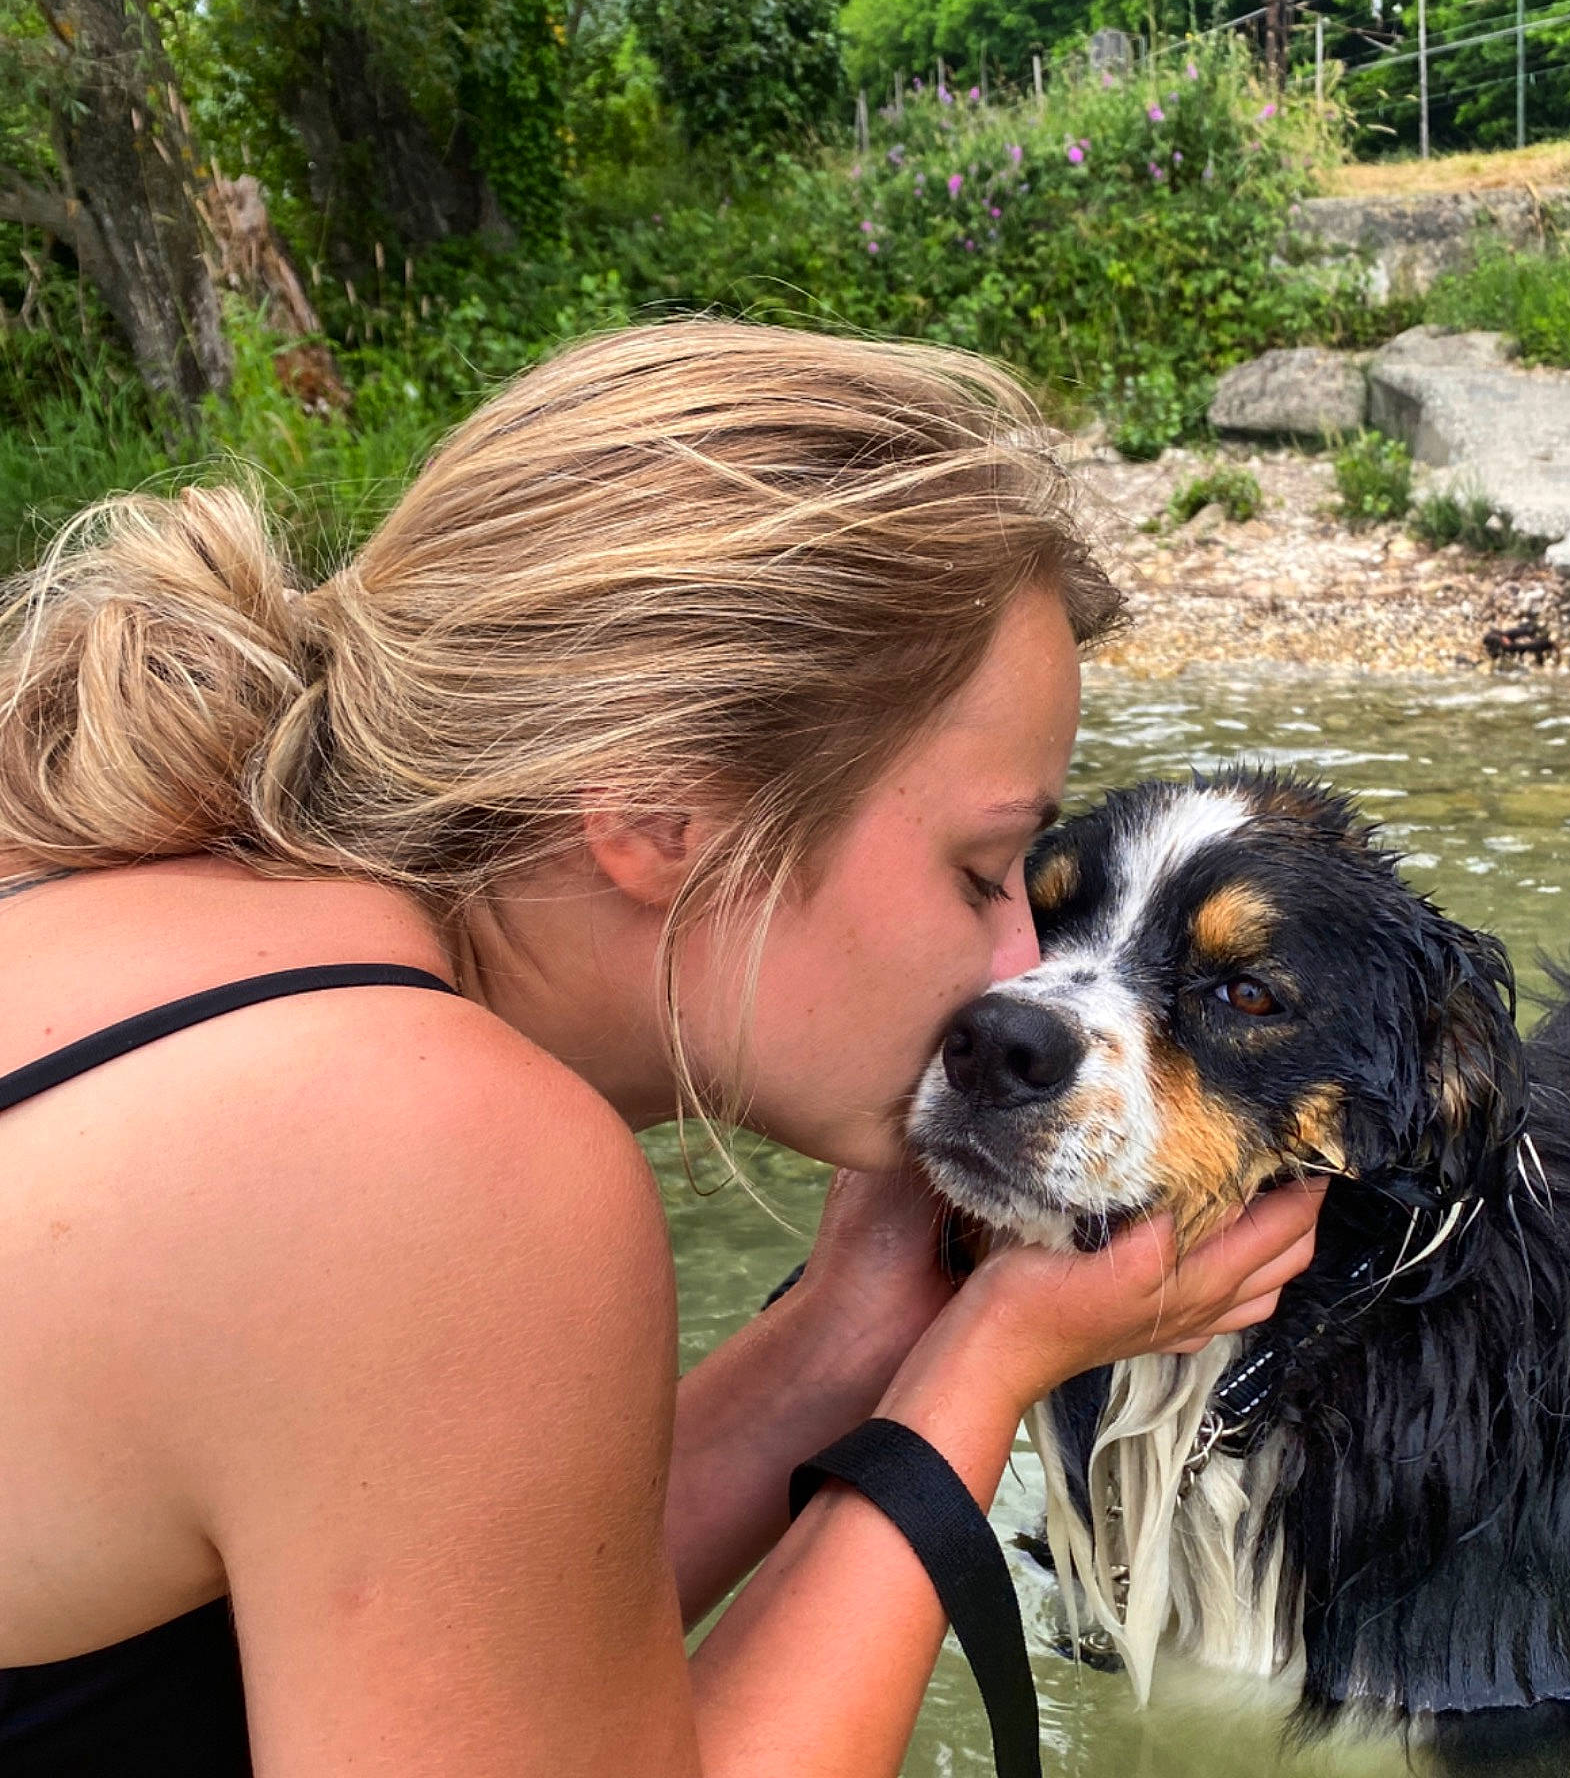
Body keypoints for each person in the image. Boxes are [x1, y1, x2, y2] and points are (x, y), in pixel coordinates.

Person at [0, 323, 1325, 1777]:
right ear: (659, 817)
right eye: (981, 870)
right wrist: (980, 1375)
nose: (1020, 966)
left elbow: (487, 1629)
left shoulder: (123, 894)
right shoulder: (431, 1145)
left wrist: (851, 1334)